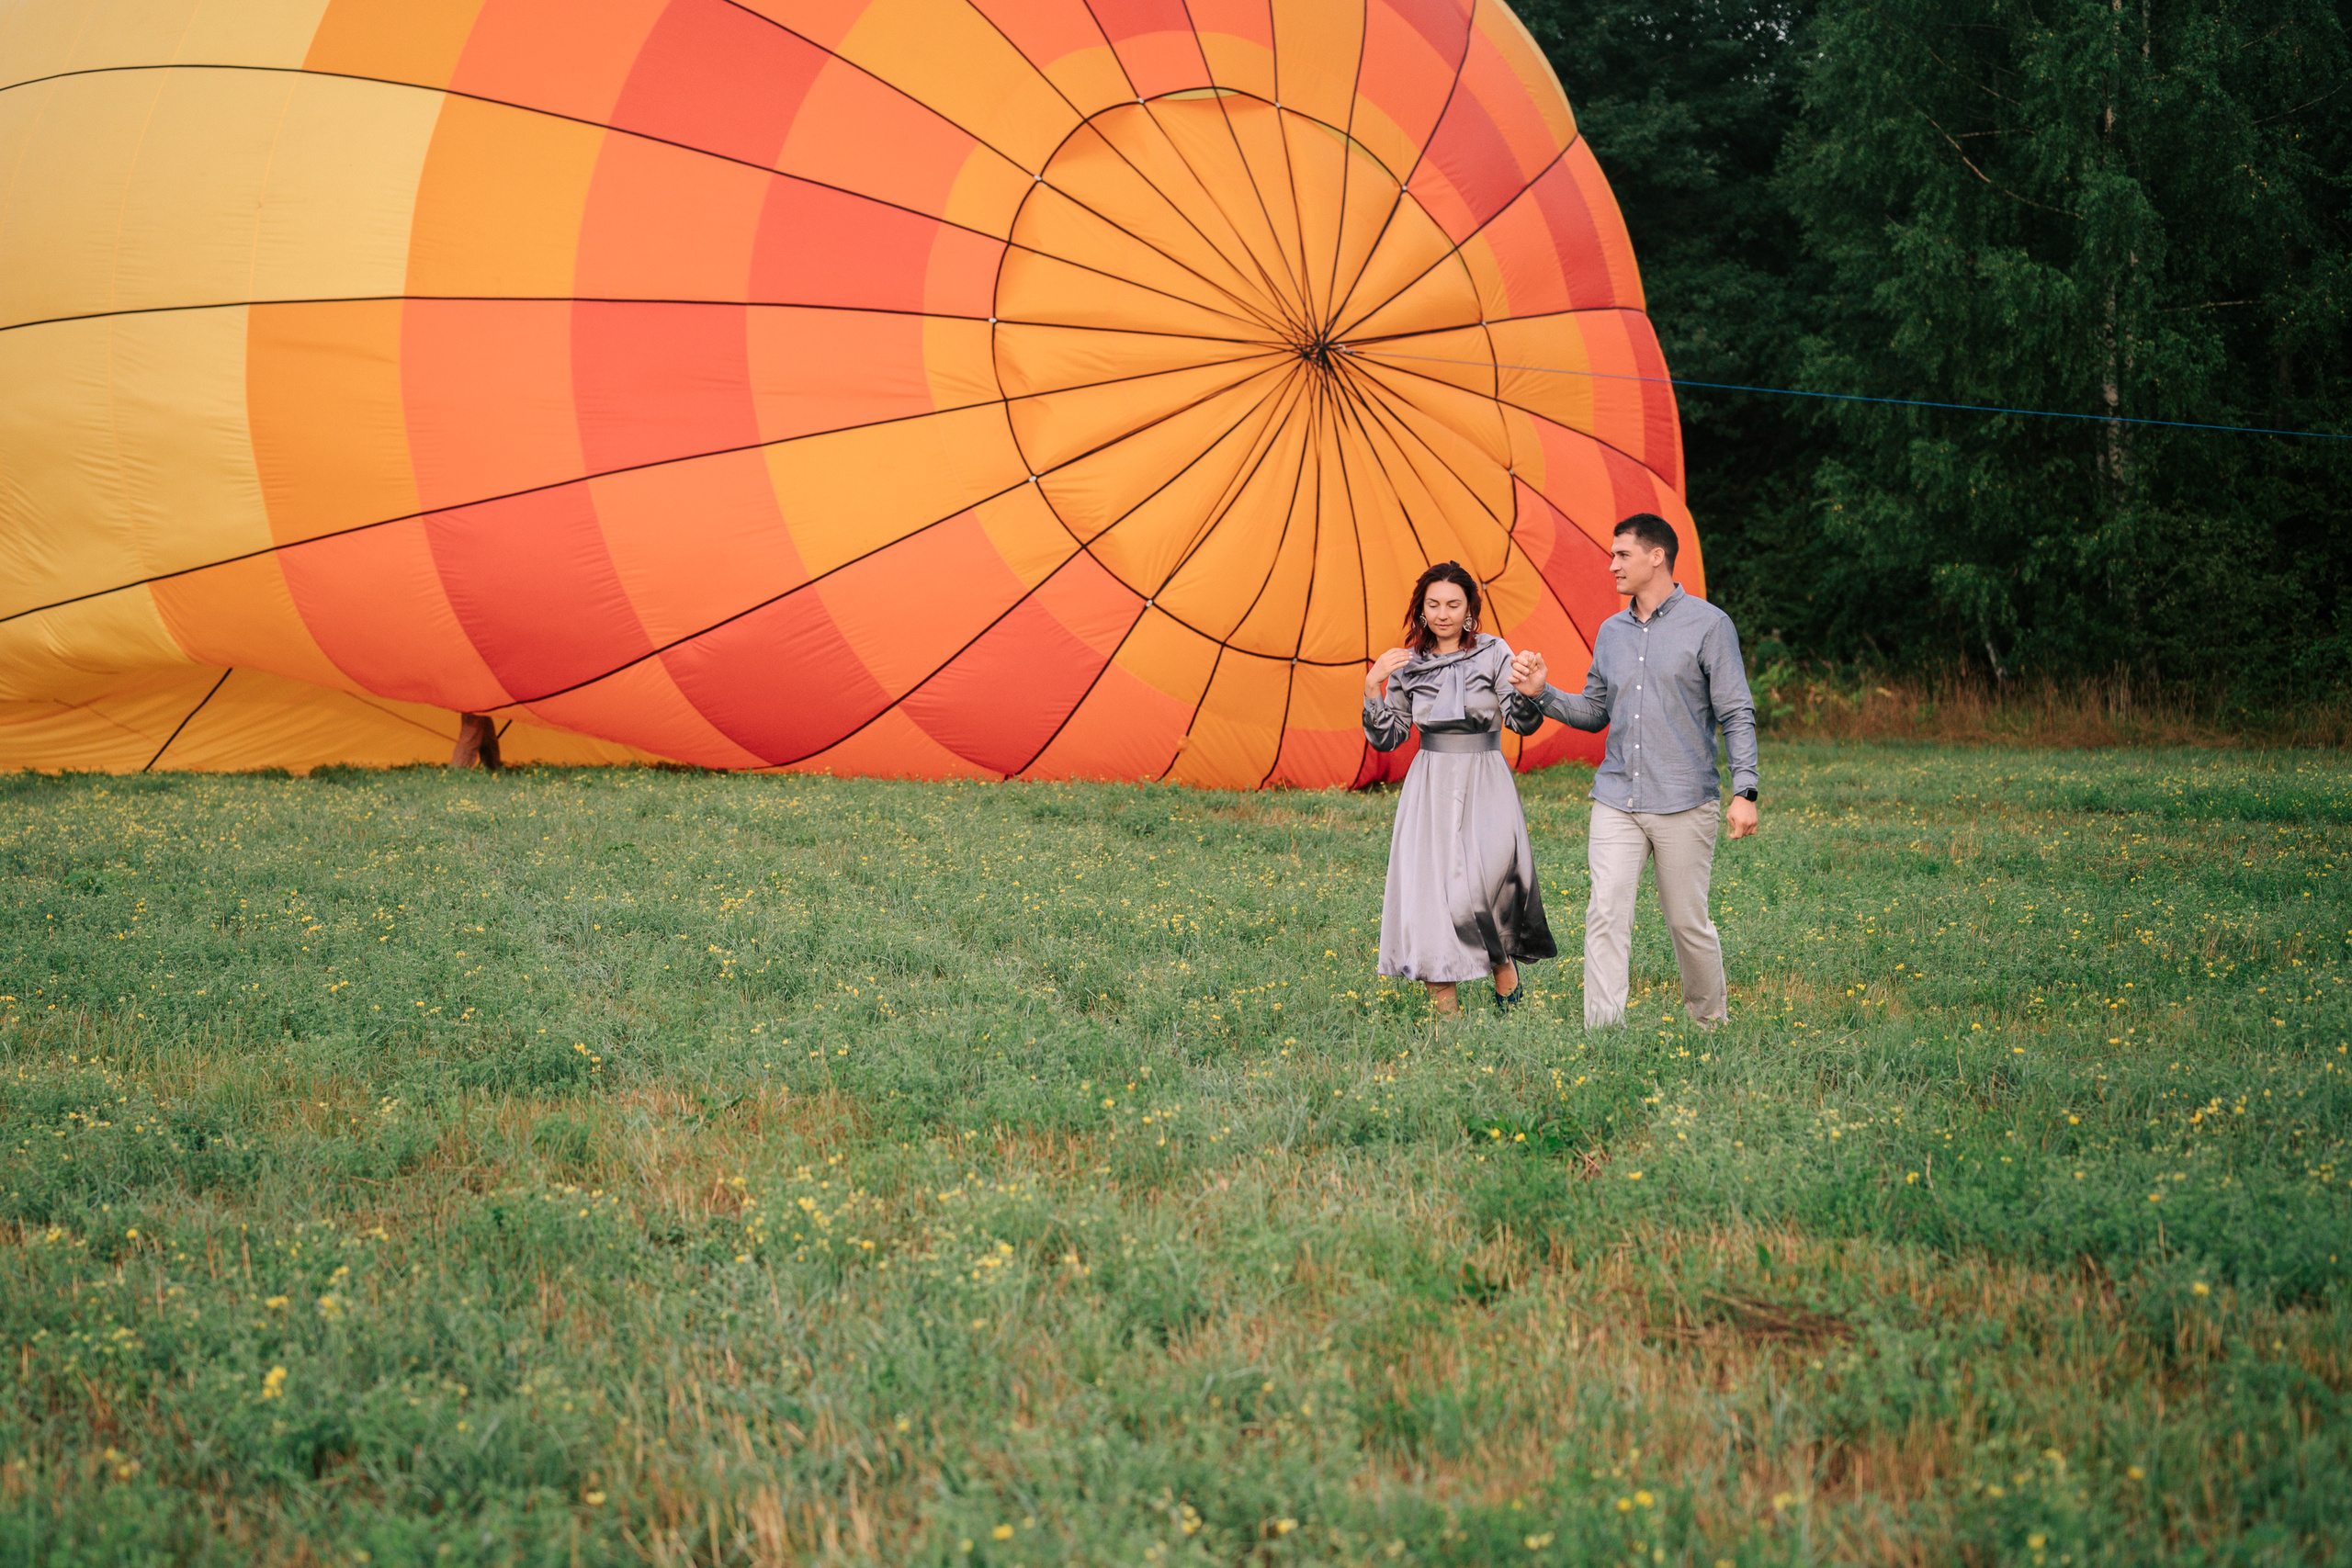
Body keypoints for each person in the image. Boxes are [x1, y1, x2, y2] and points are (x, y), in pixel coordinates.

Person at [1506, 513, 1758, 1029]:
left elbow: (1736, 711)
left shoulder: (1710, 625)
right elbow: (1596, 712)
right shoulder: (1610, 631)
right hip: (1617, 799)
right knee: (1605, 914)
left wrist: (1745, 791)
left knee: (1688, 923)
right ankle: (1603, 1031)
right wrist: (1543, 695)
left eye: (1622, 554)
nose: (1612, 564)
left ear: (1656, 557)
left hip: (1685, 800)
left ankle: (1709, 1025)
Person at [1363, 561, 1557, 1017]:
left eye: (1453, 604)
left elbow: (1519, 720)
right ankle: (1445, 1020)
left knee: (1483, 882)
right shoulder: (1409, 664)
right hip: (1431, 783)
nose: (1443, 613)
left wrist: (1532, 691)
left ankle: (1503, 968)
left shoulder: (1493, 652)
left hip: (1485, 778)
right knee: (1434, 893)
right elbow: (1389, 736)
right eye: (1434, 604)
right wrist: (1374, 687)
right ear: (1421, 609)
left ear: (1470, 609)